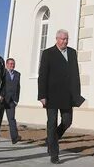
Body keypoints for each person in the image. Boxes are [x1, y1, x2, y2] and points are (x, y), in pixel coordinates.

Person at [38, 29, 83, 164]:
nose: (65, 41)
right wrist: (42, 95)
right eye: (62, 39)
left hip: (67, 95)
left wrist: (77, 94)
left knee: (67, 121)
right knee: (51, 123)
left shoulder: (72, 52)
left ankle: (51, 141)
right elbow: (43, 75)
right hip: (51, 95)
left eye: (66, 39)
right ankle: (54, 154)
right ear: (57, 39)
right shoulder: (48, 53)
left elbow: (75, 74)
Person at [0, 58, 22, 144]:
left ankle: (15, 137)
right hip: (2, 100)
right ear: (6, 64)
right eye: (10, 64)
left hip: (12, 101)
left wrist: (16, 100)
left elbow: (18, 88)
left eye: (13, 64)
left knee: (12, 119)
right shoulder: (3, 73)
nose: (12, 65)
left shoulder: (17, 74)